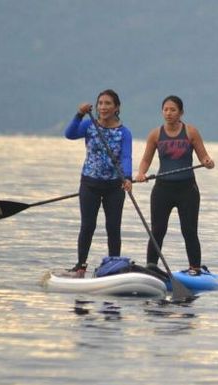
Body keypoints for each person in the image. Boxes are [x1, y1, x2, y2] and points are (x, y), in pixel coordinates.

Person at [135, 95, 215, 276]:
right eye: (166, 109)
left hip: (187, 189)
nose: (169, 113)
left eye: (173, 110)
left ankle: (195, 268)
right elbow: (146, 159)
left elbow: (204, 157)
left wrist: (208, 162)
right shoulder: (155, 134)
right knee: (157, 230)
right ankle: (151, 267)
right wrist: (141, 173)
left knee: (189, 230)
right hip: (162, 188)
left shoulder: (191, 132)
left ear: (181, 112)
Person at [64, 89, 133, 277]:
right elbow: (69, 134)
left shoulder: (124, 132)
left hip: (114, 186)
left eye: (108, 103)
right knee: (88, 226)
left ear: (116, 107)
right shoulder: (89, 125)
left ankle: (114, 266)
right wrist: (79, 114)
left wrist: (127, 177)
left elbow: (126, 156)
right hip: (89, 183)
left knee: (113, 227)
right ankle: (80, 266)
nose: (103, 107)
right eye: (100, 103)